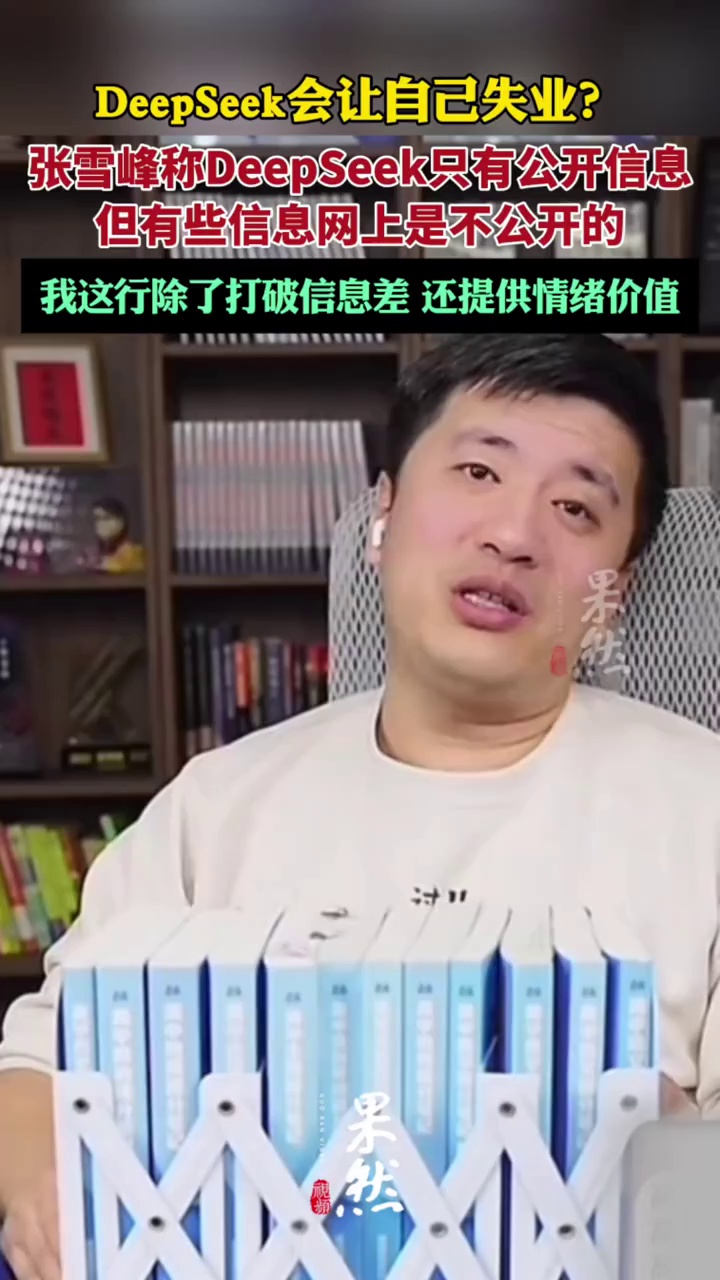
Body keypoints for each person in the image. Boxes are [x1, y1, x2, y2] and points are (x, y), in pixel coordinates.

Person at [0, 331, 715, 1280]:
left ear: (613, 592)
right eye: (477, 471)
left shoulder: (701, 807)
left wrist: (651, 1152)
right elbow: (42, 1055)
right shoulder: (219, 802)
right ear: (383, 516)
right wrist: (44, 1186)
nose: (514, 534)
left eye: (576, 507)